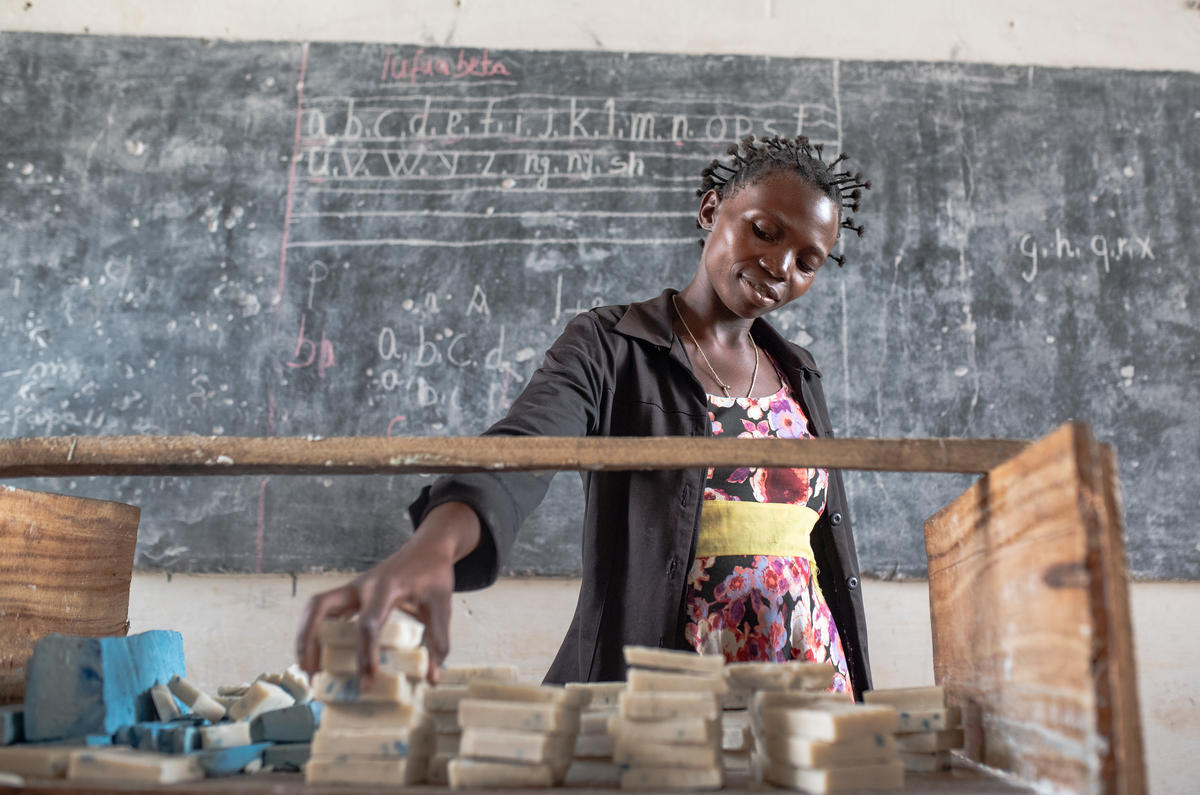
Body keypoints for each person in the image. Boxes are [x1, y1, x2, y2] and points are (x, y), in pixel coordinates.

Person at [296, 135, 875, 700]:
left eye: (807, 261)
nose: (779, 266)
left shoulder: (798, 371)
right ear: (710, 209)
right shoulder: (610, 345)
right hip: (667, 683)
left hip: (808, 680)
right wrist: (433, 548)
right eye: (764, 231)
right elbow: (521, 449)